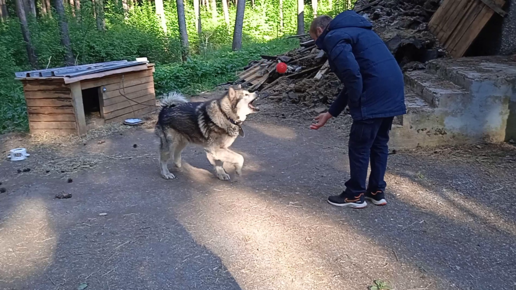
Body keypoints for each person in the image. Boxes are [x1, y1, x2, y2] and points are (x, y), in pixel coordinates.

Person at [309, 11, 406, 209]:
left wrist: (358, 106)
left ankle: (354, 195)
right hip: (392, 90)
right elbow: (354, 77)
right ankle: (376, 191)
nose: (317, 44)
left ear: (320, 31)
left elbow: (352, 76)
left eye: (314, 39)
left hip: (374, 93)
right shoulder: (360, 31)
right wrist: (331, 113)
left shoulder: (334, 37)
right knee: (379, 143)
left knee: (359, 145)